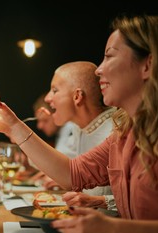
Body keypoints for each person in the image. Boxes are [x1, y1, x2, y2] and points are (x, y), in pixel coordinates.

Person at [0, 15, 158, 233]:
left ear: (148, 65)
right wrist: (15, 127)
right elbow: (72, 174)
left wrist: (116, 230)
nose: (98, 70)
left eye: (109, 57)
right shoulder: (122, 134)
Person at [40, 61, 116, 210]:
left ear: (77, 96)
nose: (48, 98)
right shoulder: (79, 129)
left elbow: (137, 200)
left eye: (54, 90)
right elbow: (67, 172)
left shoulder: (117, 130)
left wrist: (101, 201)